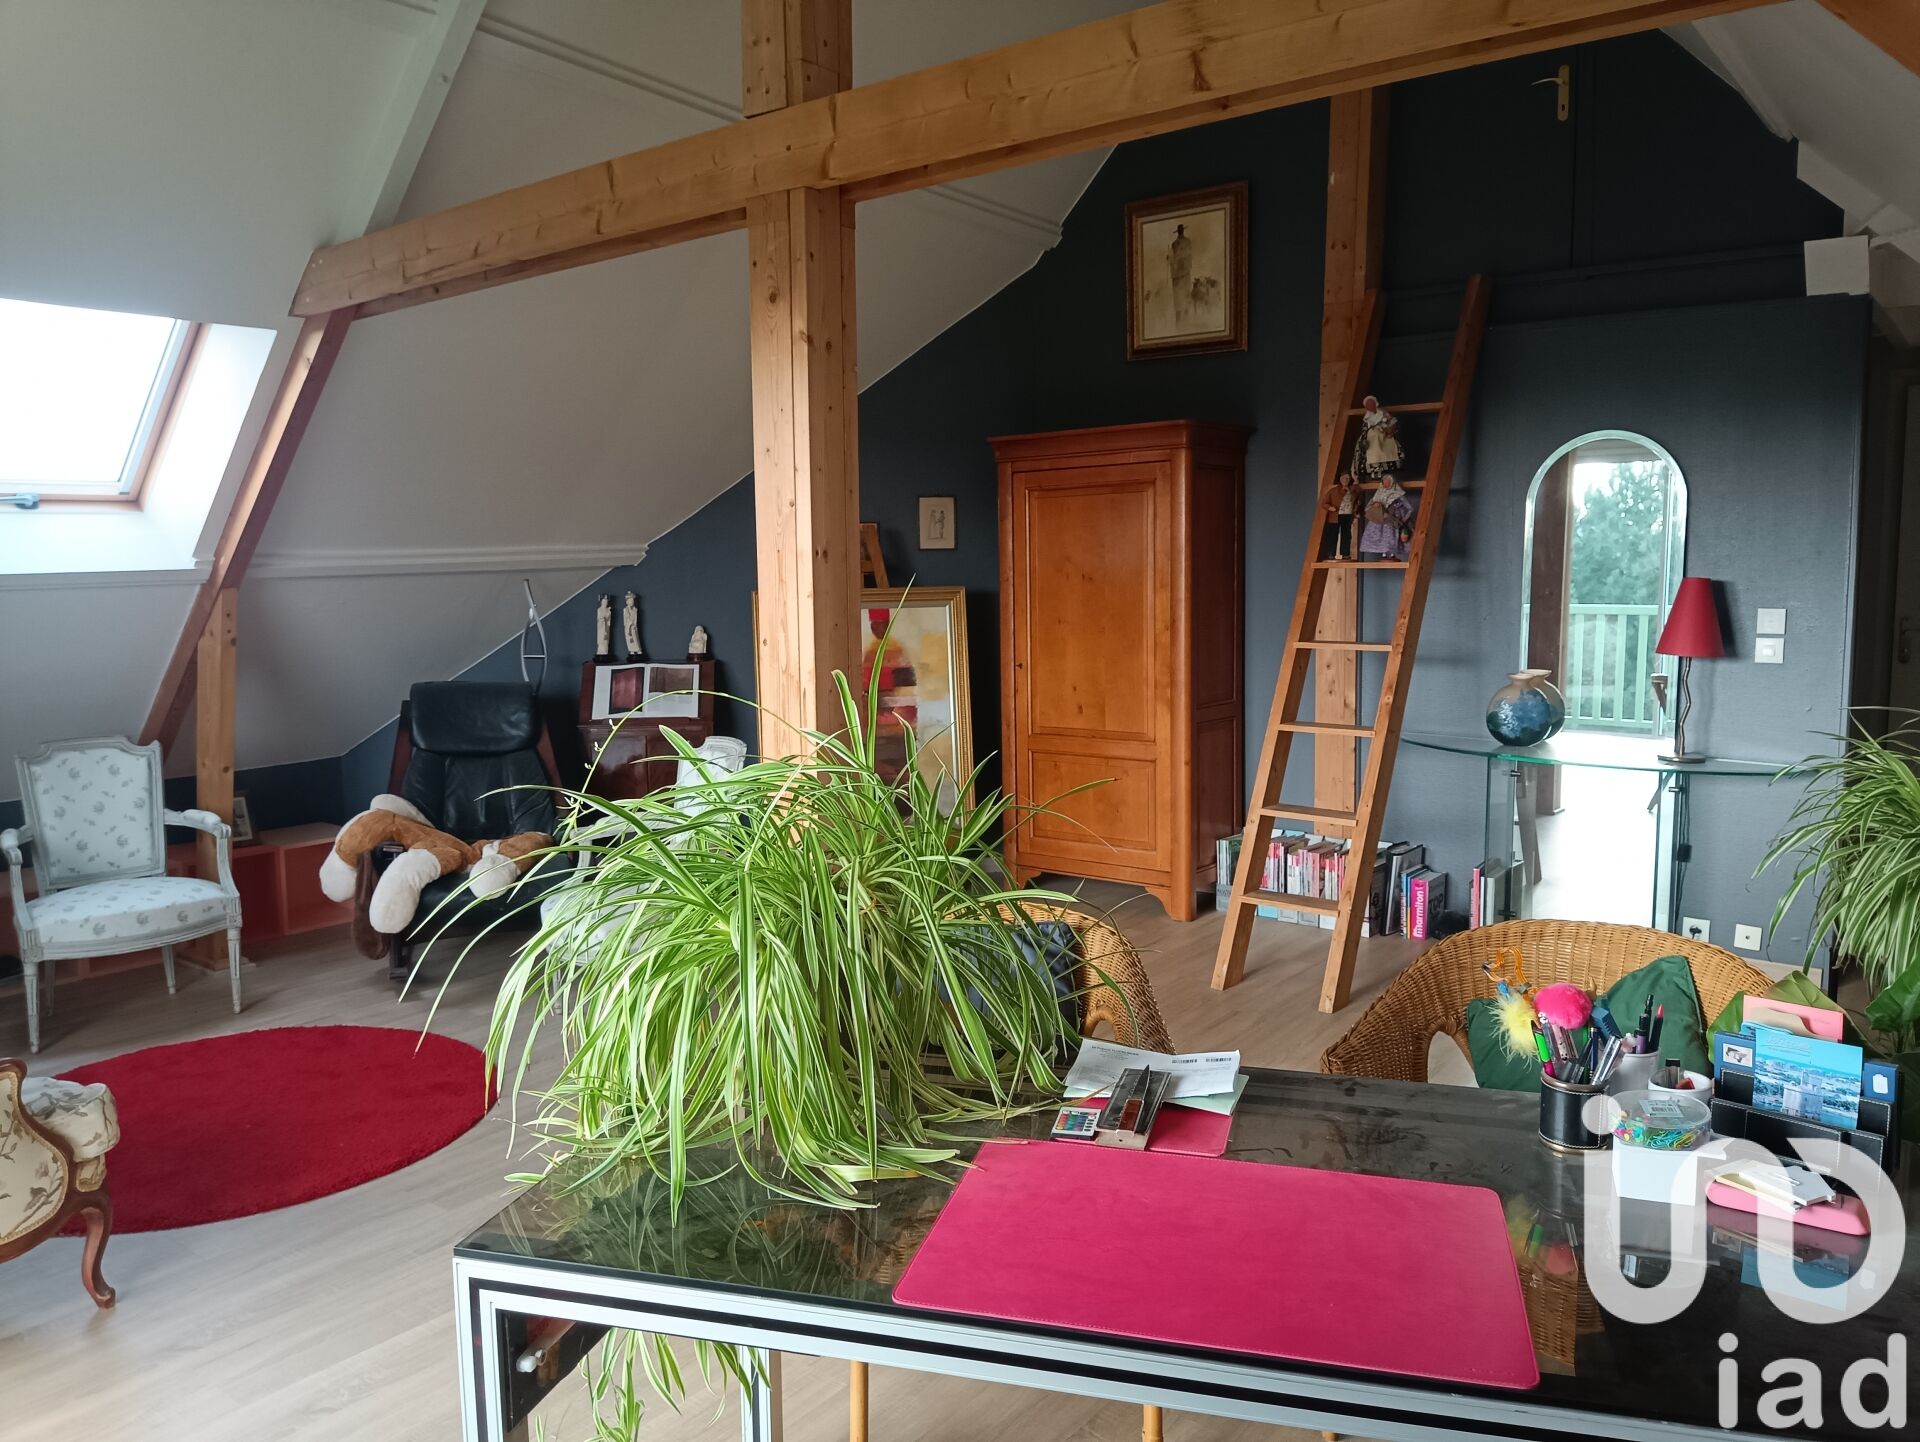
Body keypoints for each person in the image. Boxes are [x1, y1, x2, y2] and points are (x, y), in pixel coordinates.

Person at [1359, 477, 1415, 561]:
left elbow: (1409, 508)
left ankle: (1392, 554)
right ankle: (1383, 554)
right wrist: (1375, 506)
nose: (1386, 484)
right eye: (1384, 483)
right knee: (1381, 537)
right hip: (1380, 519)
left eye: (1388, 482)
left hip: (1393, 520)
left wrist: (1404, 518)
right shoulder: (1378, 494)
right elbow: (1368, 507)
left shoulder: (1398, 494)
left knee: (1392, 537)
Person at [1353, 395, 1405, 479]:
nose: (1370, 407)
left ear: (1375, 404)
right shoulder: (1367, 417)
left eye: (1372, 404)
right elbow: (1365, 428)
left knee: (1388, 445)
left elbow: (1391, 422)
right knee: (1371, 448)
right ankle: (1374, 469)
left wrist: (1388, 427)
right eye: (1368, 405)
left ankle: (1388, 466)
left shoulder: (1382, 413)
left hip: (1384, 434)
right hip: (1372, 438)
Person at [1321, 472, 1360, 561]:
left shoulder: (1352, 490)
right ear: (1340, 479)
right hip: (1335, 515)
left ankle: (1345, 553)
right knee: (1332, 534)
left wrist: (1356, 511)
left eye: (1347, 478)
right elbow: (1324, 503)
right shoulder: (1333, 491)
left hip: (1347, 515)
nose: (1345, 480)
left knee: (1346, 535)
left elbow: (1357, 498)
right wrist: (1330, 508)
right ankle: (1331, 553)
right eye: (1343, 478)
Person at [1167, 222, 1193, 326]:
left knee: (1185, 294)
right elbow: (1173, 257)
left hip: (1184, 273)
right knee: (1178, 296)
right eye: (1180, 230)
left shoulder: (1186, 242)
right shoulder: (1174, 244)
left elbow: (1189, 255)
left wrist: (1175, 259)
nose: (1181, 232)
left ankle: (1185, 320)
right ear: (1179, 231)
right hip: (1178, 274)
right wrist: (1170, 258)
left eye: (1181, 230)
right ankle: (1178, 322)